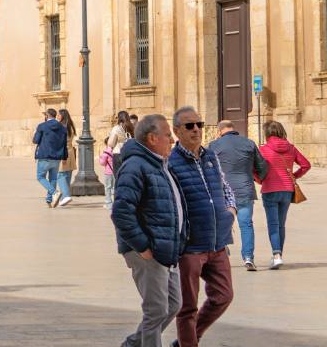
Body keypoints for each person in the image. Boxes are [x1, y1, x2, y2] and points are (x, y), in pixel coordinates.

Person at [110, 113, 184, 347]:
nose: (172, 140)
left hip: (164, 248)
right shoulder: (135, 166)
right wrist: (142, 246)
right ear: (152, 138)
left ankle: (133, 344)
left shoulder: (160, 164)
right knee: (156, 310)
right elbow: (121, 212)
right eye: (167, 135)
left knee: (173, 304)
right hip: (147, 249)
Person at [166, 106, 234, 347]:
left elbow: (225, 186)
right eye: (189, 126)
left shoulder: (210, 156)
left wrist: (231, 210)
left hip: (218, 241)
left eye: (199, 125)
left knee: (224, 296)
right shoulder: (171, 163)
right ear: (176, 131)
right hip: (190, 246)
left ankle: (192, 337)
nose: (196, 130)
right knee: (187, 307)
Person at [208, 119, 267, 270]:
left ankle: (223, 250)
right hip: (244, 190)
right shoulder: (249, 143)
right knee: (246, 224)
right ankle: (248, 257)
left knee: (221, 223)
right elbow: (261, 166)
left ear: (219, 131)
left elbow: (207, 168)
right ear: (233, 129)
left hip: (222, 193)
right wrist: (259, 177)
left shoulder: (214, 146)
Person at [257, 120, 310, 270]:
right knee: (281, 224)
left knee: (273, 224)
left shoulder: (263, 150)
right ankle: (279, 255)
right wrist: (294, 176)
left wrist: (260, 179)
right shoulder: (291, 148)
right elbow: (306, 165)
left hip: (269, 190)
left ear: (267, 133)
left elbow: (254, 168)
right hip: (287, 190)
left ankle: (276, 255)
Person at [33, 108, 71, 207]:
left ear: (47, 116)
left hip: (45, 156)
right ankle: (49, 200)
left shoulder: (42, 126)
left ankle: (54, 193)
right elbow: (64, 144)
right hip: (57, 158)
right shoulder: (63, 128)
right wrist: (64, 157)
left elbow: (36, 140)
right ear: (55, 115)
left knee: (40, 177)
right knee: (53, 178)